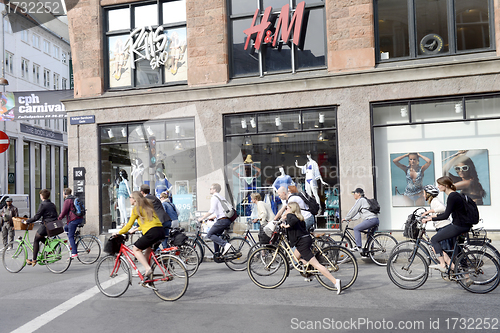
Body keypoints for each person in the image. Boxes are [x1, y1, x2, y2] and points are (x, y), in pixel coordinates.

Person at [281, 202, 341, 294]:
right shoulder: (299, 217)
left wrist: (286, 225)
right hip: (305, 240)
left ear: (291, 209)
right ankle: (310, 273)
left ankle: (335, 281)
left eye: (287, 208)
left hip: (302, 243)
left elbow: (292, 221)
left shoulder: (291, 216)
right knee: (295, 257)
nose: (286, 209)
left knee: (316, 264)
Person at [422, 176, 473, 273]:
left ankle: (442, 264)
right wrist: (431, 217)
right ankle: (466, 277)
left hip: (459, 226)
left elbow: (445, 215)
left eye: (439, 185)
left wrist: (430, 217)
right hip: (463, 225)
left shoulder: (452, 196)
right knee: (458, 252)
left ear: (445, 186)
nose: (438, 187)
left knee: (434, 240)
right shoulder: (455, 195)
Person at [115, 191, 165, 287]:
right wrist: (137, 228)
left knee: (136, 249)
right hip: (160, 231)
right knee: (147, 252)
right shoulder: (148, 207)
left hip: (151, 233)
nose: (129, 199)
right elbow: (150, 223)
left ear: (134, 199)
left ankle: (147, 269)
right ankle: (148, 278)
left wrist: (118, 232)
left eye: (130, 197)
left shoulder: (136, 209)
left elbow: (128, 225)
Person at [25, 189, 59, 266]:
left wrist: (27, 221)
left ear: (42, 196)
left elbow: (37, 216)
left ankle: (34, 259)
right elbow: (54, 215)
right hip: (54, 225)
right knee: (41, 237)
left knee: (36, 238)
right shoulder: (52, 204)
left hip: (47, 225)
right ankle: (50, 248)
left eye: (40, 195)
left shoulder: (43, 204)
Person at [198, 183, 232, 255]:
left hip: (222, 221)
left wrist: (202, 218)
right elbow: (220, 211)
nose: (210, 190)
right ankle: (217, 254)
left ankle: (225, 245)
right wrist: (211, 218)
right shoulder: (221, 197)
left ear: (214, 190)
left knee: (210, 235)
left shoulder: (214, 197)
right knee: (215, 236)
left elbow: (211, 210)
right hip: (226, 220)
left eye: (211, 188)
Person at [342, 188, 379, 254]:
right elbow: (359, 214)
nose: (353, 195)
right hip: (375, 219)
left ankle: (358, 247)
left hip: (370, 220)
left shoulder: (361, 200)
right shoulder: (365, 201)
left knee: (356, 228)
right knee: (369, 235)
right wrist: (351, 219)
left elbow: (354, 210)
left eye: (354, 193)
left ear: (359, 194)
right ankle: (370, 251)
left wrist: (347, 218)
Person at [420, 185, 454, 251]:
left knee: (443, 249)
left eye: (424, 193)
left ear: (428, 194)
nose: (423, 195)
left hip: (443, 227)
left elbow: (443, 208)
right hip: (443, 227)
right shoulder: (435, 200)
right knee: (445, 249)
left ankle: (446, 261)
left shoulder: (434, 201)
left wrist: (428, 212)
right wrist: (428, 217)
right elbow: (438, 214)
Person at [140, 184, 171, 249]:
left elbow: (144, 213)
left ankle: (157, 255)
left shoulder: (145, 200)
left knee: (152, 240)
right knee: (164, 241)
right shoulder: (153, 197)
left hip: (160, 221)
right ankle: (168, 257)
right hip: (166, 220)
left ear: (142, 192)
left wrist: (138, 225)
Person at [58, 188, 83, 258]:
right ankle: (71, 243)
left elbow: (64, 211)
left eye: (63, 193)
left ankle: (74, 253)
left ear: (65, 193)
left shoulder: (68, 200)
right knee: (66, 228)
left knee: (70, 236)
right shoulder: (74, 198)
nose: (63, 194)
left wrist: (59, 218)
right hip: (79, 218)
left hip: (73, 220)